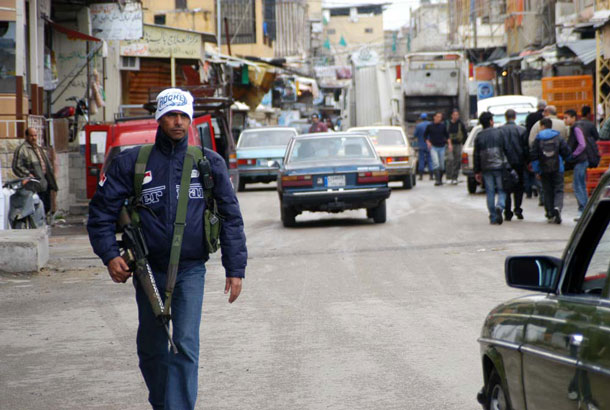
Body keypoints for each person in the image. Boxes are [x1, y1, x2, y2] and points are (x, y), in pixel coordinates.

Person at [87, 88, 247, 410]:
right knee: (152, 346)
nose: (177, 122)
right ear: (159, 118)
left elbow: (231, 218)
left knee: (185, 344)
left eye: (183, 116)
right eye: (171, 115)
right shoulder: (132, 162)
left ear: (190, 119)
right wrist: (110, 255)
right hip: (148, 269)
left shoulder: (207, 163)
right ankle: (163, 404)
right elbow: (100, 214)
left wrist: (235, 269)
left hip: (190, 270)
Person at [474, 111, 518, 225]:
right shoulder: (500, 133)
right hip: (500, 166)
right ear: (490, 121)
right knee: (502, 189)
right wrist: (510, 165)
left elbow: (476, 155)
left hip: (486, 168)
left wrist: (477, 171)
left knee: (490, 192)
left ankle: (493, 216)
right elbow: (507, 149)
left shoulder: (479, 136)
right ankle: (500, 206)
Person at [530, 118, 572, 224]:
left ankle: (549, 212)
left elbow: (534, 156)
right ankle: (557, 207)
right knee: (558, 189)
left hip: (543, 169)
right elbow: (566, 151)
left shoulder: (538, 138)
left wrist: (537, 170)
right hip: (558, 167)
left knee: (547, 190)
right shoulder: (557, 136)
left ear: (542, 126)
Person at [12, 127, 58, 219]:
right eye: (31, 136)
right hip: (33, 185)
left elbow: (47, 166)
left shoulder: (39, 149)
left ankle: (44, 223)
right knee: (36, 208)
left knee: (46, 206)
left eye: (35, 135)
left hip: (44, 183)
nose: (34, 138)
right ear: (27, 136)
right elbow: (16, 166)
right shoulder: (22, 149)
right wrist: (27, 174)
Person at [500, 109, 528, 221]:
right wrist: (527, 161)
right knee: (519, 187)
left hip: (505, 163)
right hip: (519, 162)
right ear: (515, 117)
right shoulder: (522, 130)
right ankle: (517, 208)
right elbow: (526, 148)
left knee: (506, 187)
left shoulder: (500, 131)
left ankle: (507, 211)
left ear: (505, 117)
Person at [564, 109, 588, 219]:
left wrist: (574, 154)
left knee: (578, 185)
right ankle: (585, 209)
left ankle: (583, 209)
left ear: (573, 118)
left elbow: (582, 144)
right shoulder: (575, 127)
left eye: (566, 117)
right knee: (580, 184)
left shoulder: (576, 128)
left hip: (580, 160)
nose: (565, 120)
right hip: (581, 160)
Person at [524, 100, 546, 198]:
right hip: (545, 149)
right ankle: (541, 192)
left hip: (532, 147)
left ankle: (530, 190)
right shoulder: (544, 118)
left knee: (532, 169)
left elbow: (527, 131)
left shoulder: (530, 117)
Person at [424, 112, 452, 186]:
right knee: (436, 163)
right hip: (433, 147)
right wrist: (428, 142)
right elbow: (425, 136)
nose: (439, 118)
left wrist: (449, 144)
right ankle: (437, 180)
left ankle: (440, 178)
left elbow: (447, 136)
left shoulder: (443, 126)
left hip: (442, 147)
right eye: (438, 116)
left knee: (442, 165)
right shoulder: (430, 126)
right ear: (434, 117)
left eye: (440, 117)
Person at [445, 108, 468, 185]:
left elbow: (465, 134)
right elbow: (445, 134)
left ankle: (455, 177)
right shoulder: (447, 123)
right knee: (449, 160)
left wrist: (464, 144)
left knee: (457, 160)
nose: (456, 116)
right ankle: (448, 177)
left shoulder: (460, 124)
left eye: (457, 115)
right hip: (449, 144)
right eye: (454, 115)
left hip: (458, 144)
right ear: (451, 115)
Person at [413, 113, 432, 180]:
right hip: (429, 145)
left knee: (421, 159)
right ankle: (431, 175)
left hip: (421, 145)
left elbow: (415, 135)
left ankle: (421, 175)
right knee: (430, 159)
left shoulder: (419, 126)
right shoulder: (430, 124)